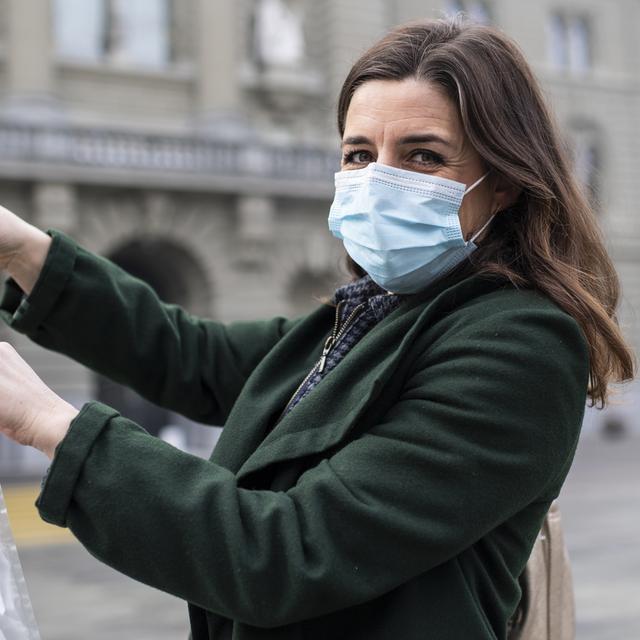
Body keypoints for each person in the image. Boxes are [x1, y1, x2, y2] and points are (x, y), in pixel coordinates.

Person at [0, 18, 635, 640]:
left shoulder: (518, 342)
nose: (378, 179)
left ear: (501, 184)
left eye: (423, 155)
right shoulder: (373, 311)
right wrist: (25, 252)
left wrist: (53, 425)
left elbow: (288, 554)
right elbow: (191, 355)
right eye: (359, 154)